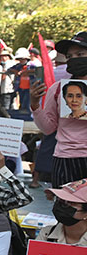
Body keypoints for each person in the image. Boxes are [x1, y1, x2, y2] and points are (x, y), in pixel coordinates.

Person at [31, 31, 87, 186]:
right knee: (65, 209)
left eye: (80, 54)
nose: (74, 59)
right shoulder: (57, 90)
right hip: (65, 159)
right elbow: (48, 128)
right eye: (70, 56)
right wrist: (35, 105)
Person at [8, 47, 34, 112]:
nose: (21, 60)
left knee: (27, 103)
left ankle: (28, 114)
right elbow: (8, 70)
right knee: (22, 102)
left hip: (29, 87)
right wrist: (15, 71)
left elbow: (38, 70)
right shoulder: (18, 66)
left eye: (22, 59)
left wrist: (27, 72)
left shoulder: (31, 65)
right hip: (20, 87)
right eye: (19, 59)